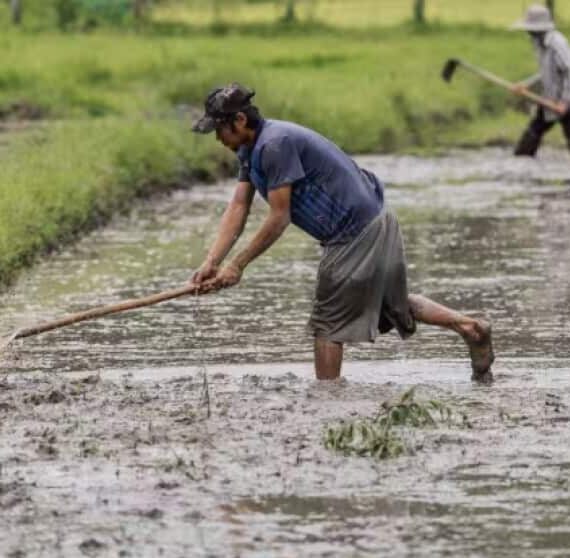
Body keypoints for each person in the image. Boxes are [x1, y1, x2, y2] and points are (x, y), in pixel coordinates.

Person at [189, 84, 494, 382]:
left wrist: (237, 265)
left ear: (240, 120)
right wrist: (213, 261)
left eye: (219, 129)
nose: (217, 138)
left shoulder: (275, 145)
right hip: (374, 219)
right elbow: (240, 205)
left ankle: (328, 403)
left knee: (327, 325)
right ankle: (470, 327)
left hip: (353, 231)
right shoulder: (249, 148)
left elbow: (279, 217)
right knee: (392, 304)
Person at [509, 4, 570, 160]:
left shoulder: (557, 43)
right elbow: (547, 74)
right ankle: (522, 167)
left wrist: (564, 102)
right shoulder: (540, 44)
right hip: (550, 100)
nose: (528, 32)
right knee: (531, 136)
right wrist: (525, 84)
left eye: (530, 28)